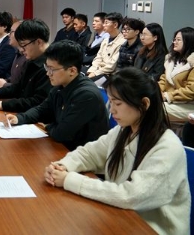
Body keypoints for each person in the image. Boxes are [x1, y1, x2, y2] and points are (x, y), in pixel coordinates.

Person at [45, 68, 190, 235]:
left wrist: (69, 180)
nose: (112, 110)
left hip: (152, 228)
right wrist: (63, 166)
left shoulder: (167, 147)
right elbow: (90, 153)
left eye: (118, 103)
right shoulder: (124, 131)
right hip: (121, 216)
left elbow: (132, 196)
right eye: (111, 102)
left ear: (144, 104)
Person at [7, 40, 108, 150]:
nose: (48, 73)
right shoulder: (61, 85)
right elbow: (42, 110)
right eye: (47, 67)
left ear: (72, 71)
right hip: (64, 147)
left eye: (52, 69)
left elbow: (62, 133)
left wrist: (48, 126)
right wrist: (19, 118)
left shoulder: (87, 95)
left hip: (82, 154)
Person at [0, 18, 52, 113]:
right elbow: (19, 87)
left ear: (38, 42)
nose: (21, 50)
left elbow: (38, 102)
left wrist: (4, 104)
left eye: (23, 45)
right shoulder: (32, 59)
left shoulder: (51, 65)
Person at [158, 26, 194, 122]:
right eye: (174, 39)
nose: (174, 42)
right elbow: (163, 80)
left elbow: (191, 91)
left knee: (152, 110)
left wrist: (167, 96)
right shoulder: (171, 60)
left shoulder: (192, 62)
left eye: (178, 40)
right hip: (171, 101)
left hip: (188, 104)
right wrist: (155, 91)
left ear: (188, 42)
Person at [87, 12, 124, 80]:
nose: (104, 25)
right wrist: (92, 70)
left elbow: (111, 66)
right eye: (104, 23)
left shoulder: (122, 42)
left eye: (106, 23)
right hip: (98, 70)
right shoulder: (106, 39)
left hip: (109, 74)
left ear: (115, 25)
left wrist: (95, 73)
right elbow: (98, 57)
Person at [0, 20, 27, 88]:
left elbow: (24, 88)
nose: (9, 35)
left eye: (12, 32)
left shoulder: (27, 57)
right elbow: (15, 78)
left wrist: (5, 84)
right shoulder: (18, 53)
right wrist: (6, 81)